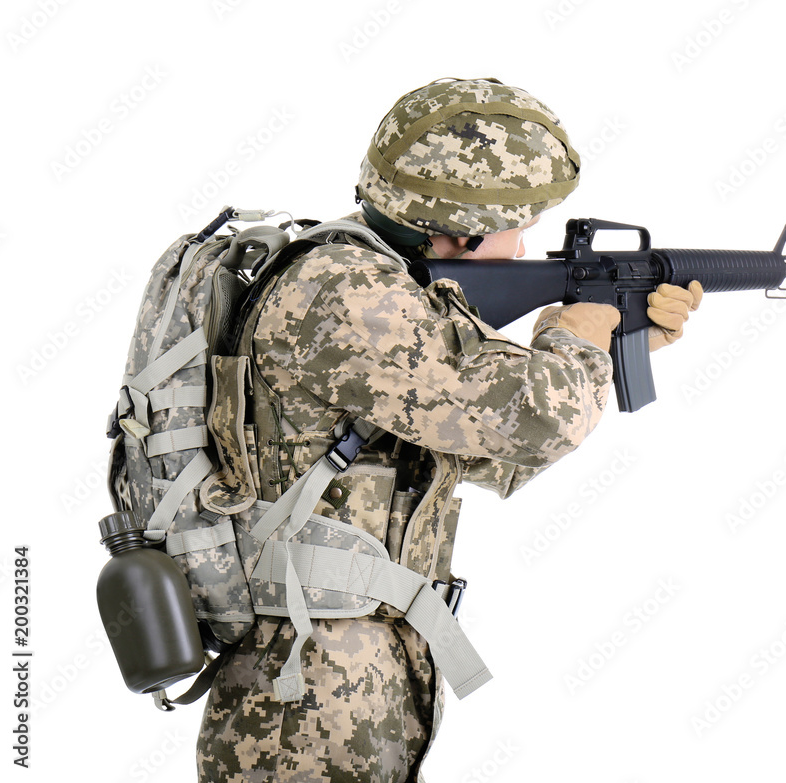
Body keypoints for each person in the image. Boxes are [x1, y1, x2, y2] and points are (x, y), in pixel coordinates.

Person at [195, 77, 702, 782]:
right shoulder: (350, 292)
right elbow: (535, 419)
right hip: (309, 690)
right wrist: (578, 338)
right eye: (515, 224)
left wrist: (619, 349)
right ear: (455, 225)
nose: (526, 247)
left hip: (345, 667)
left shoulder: (381, 286)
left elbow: (484, 454)